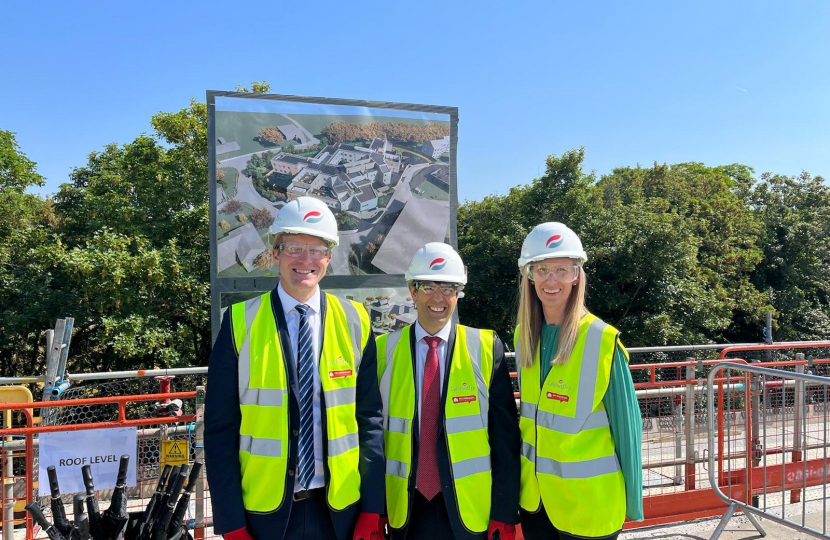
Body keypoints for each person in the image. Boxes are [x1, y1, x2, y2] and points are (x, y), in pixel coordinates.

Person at [205, 197, 385, 540]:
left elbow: (370, 421)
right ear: (275, 254)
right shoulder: (239, 323)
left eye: (317, 250)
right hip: (266, 514)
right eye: (293, 248)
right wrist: (230, 523)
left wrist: (373, 508)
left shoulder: (355, 321)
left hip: (340, 510)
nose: (306, 260)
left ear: (329, 259)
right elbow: (219, 430)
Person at [376, 242, 520, 540]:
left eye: (450, 288)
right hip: (406, 507)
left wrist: (504, 512)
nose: (439, 297)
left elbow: (505, 437)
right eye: (428, 286)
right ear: (412, 291)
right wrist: (373, 510)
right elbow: (372, 439)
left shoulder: (484, 346)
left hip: (470, 509)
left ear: (459, 293)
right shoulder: (381, 351)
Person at [514, 223, 643, 540]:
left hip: (589, 505)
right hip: (536, 501)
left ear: (576, 275)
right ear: (529, 275)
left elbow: (628, 429)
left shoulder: (602, 340)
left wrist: (634, 503)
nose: (551, 280)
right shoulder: (524, 337)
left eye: (561, 269)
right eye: (542, 269)